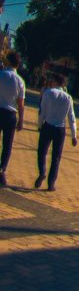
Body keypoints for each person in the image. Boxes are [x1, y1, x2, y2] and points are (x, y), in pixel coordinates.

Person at [35, 72, 77, 192]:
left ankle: (42, 171)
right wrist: (74, 136)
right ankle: (51, 183)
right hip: (60, 128)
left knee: (42, 151)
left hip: (47, 125)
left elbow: (42, 111)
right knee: (56, 157)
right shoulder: (68, 97)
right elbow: (71, 117)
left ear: (54, 81)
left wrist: (39, 125)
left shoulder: (48, 93)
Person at [0, 50, 26, 188]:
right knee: (7, 144)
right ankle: (2, 169)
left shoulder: (1, 75)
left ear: (8, 61)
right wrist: (21, 120)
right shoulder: (20, 81)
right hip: (11, 115)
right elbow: (21, 104)